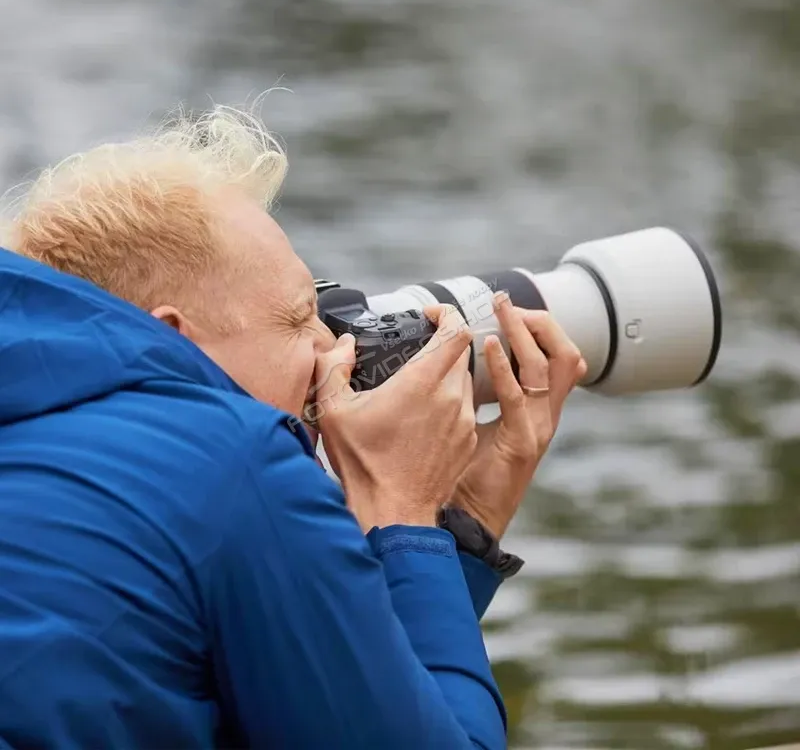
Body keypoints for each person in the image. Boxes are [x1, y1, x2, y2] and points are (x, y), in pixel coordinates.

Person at [0, 103, 586, 749]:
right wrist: (401, 510)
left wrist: (462, 523)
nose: (334, 348)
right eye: (300, 317)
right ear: (175, 336)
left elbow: (320, 712)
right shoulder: (230, 459)